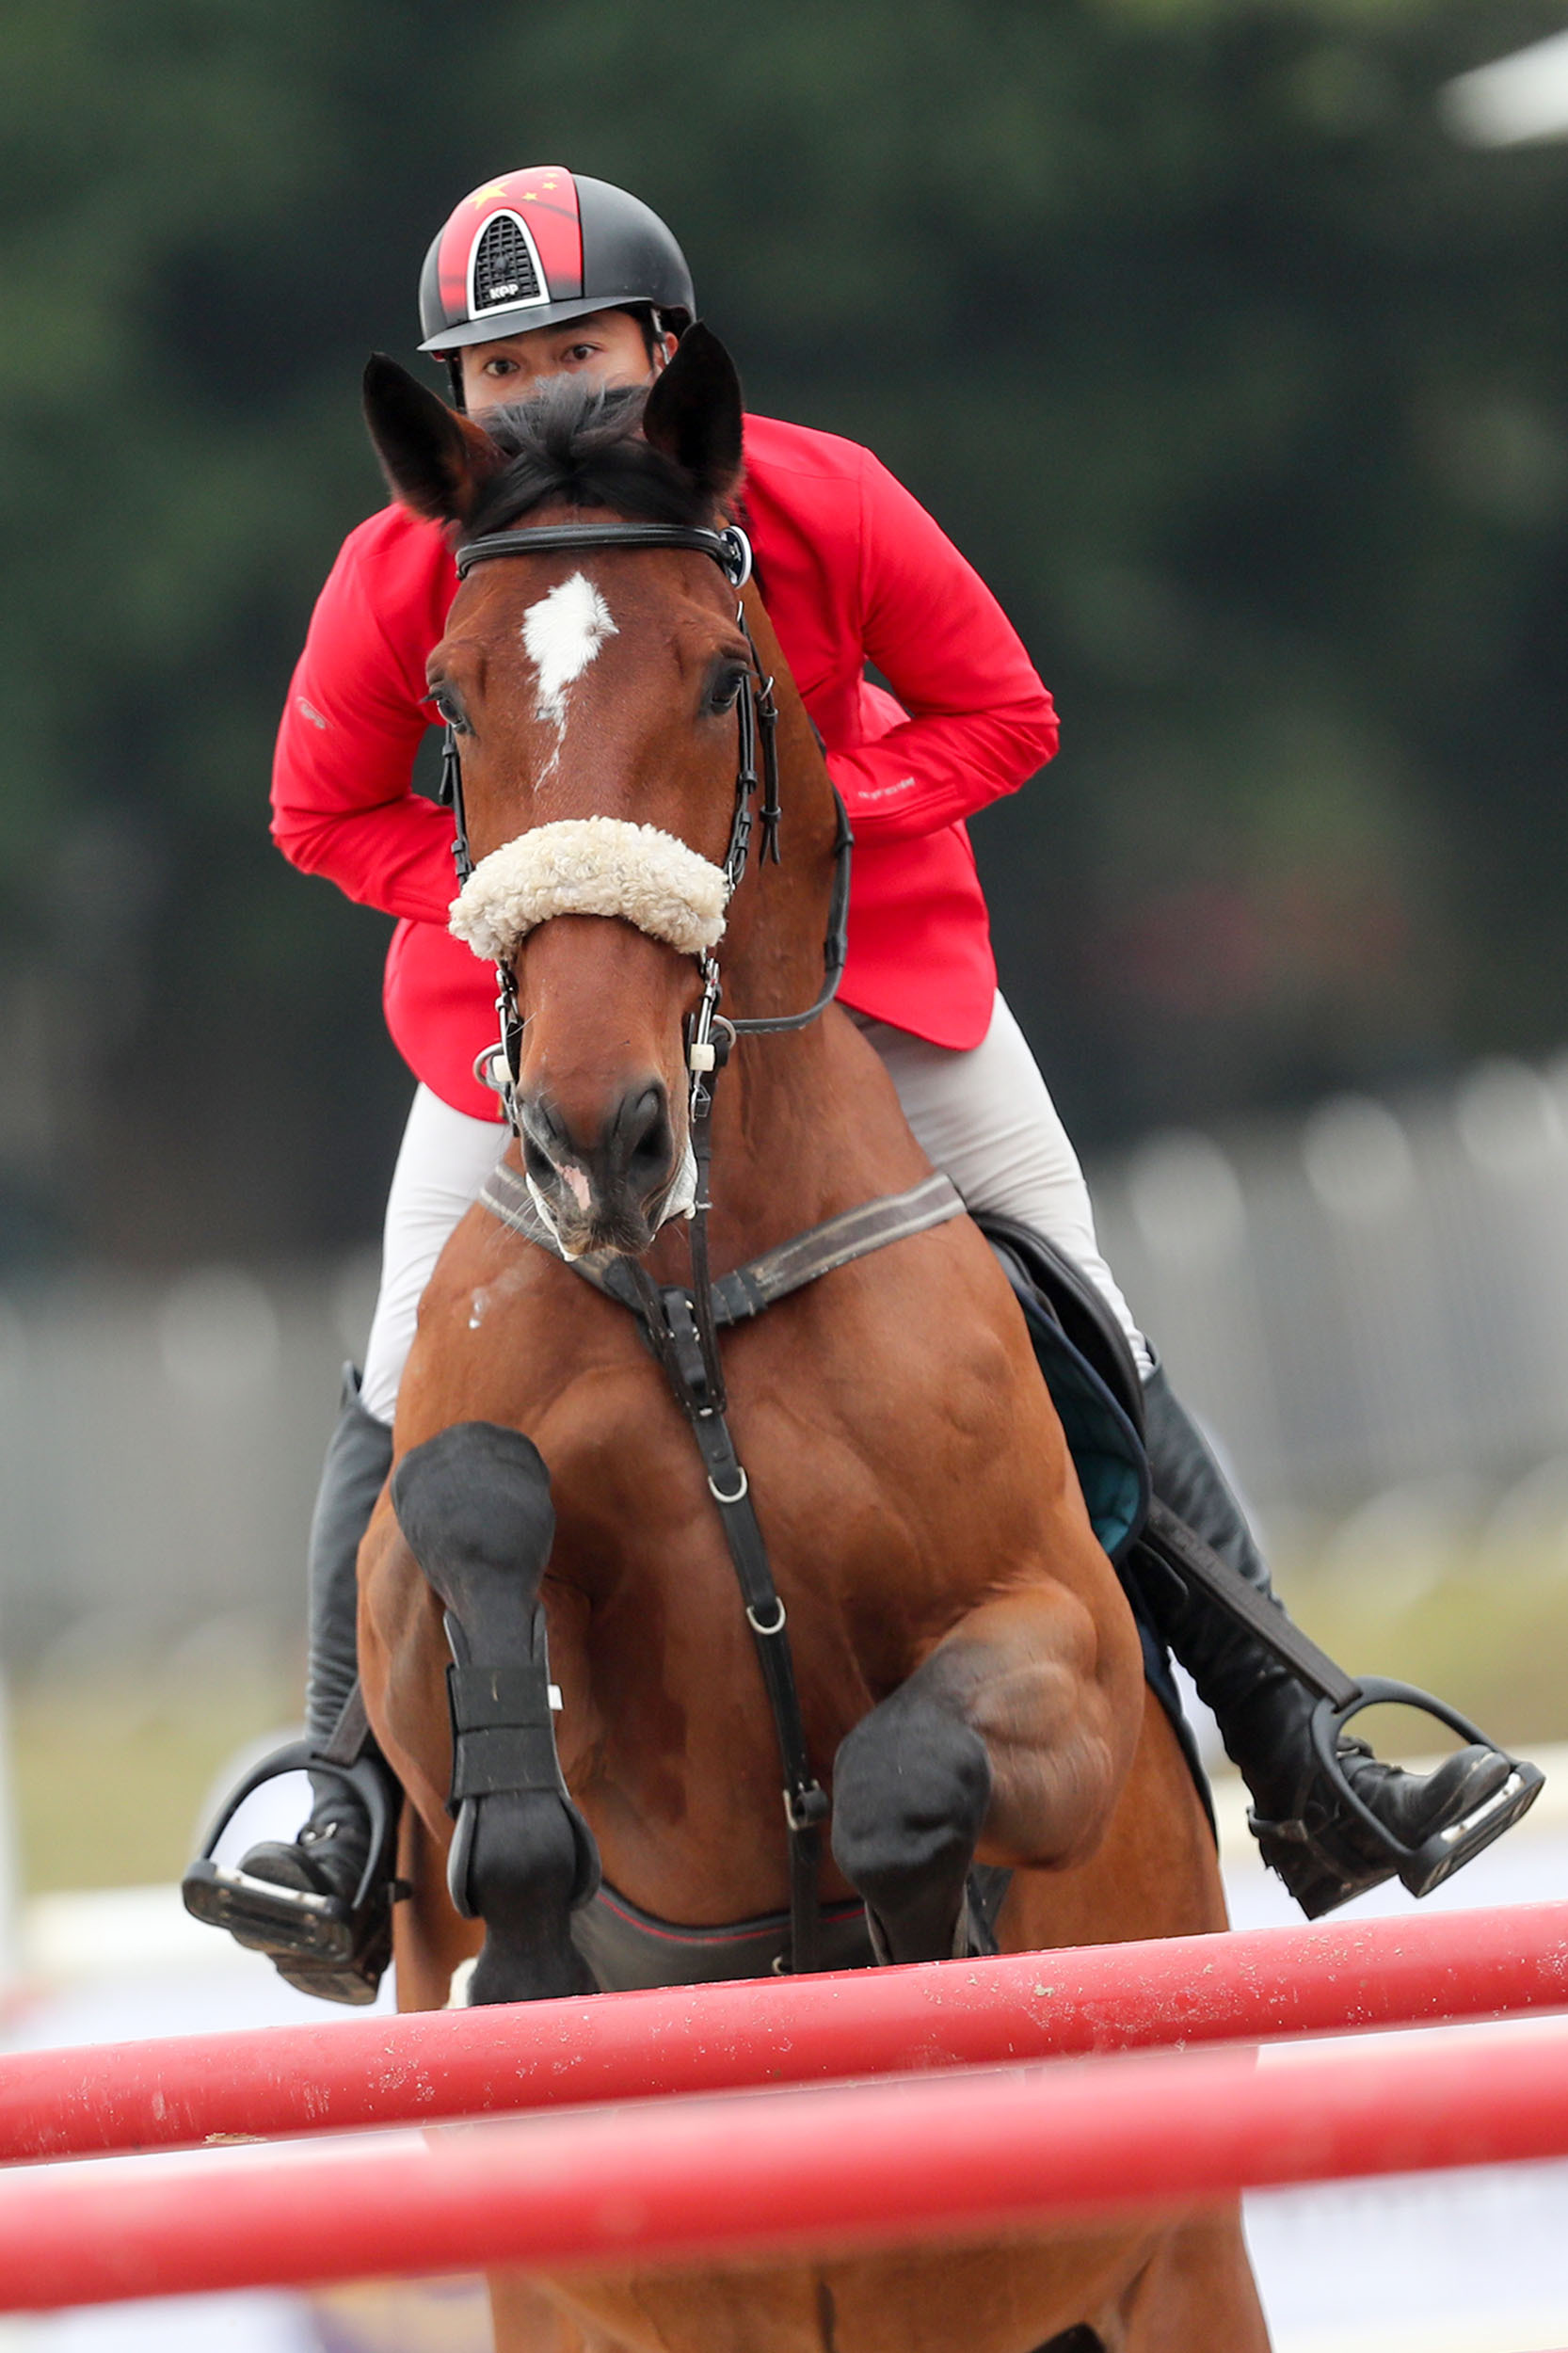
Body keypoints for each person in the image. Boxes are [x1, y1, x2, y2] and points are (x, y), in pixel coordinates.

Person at [184, 167, 1529, 2002]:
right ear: (454, 407)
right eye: (497, 372)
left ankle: (1294, 1743)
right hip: (549, 1008)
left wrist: (788, 838)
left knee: (1080, 1298)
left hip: (860, 970)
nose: (541, 395)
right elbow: (317, 811)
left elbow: (1004, 714)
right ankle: (342, 1808)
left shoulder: (822, 497)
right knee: (397, 1349)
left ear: (668, 359)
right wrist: (541, 900)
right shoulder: (400, 570)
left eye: (578, 353)